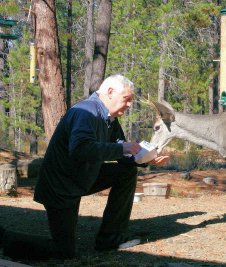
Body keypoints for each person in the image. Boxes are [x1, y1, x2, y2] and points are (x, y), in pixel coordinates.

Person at [0, 74, 169, 260]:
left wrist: (145, 159)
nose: (129, 105)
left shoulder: (110, 118)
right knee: (63, 252)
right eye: (126, 99)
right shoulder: (85, 112)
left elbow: (122, 154)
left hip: (82, 177)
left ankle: (110, 239)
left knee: (126, 171)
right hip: (60, 187)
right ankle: (5, 239)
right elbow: (80, 149)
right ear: (110, 92)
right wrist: (122, 148)